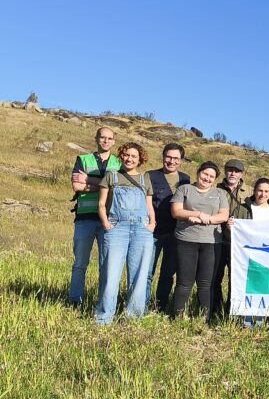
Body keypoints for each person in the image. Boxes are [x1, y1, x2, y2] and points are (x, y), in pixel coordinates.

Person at [94, 142, 157, 324]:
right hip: (116, 229)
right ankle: (104, 317)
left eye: (134, 156)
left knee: (139, 274)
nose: (130, 159)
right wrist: (106, 223)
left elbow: (149, 205)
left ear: (140, 159)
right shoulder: (111, 176)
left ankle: (133, 317)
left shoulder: (145, 179)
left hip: (141, 229)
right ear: (121, 156)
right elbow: (101, 204)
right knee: (110, 273)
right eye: (127, 155)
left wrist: (152, 224)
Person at [170, 162, 229, 320]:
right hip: (186, 240)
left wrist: (207, 219)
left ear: (215, 179)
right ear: (198, 172)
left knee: (206, 283)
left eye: (211, 176)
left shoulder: (220, 194)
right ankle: (178, 316)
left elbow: (223, 215)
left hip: (211, 243)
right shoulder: (184, 189)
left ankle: (204, 318)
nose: (207, 178)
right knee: (184, 281)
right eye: (205, 174)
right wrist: (197, 213)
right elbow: (176, 211)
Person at [68, 127, 120, 305]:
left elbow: (118, 188)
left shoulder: (119, 163)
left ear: (114, 141)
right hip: (85, 218)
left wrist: (89, 180)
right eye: (102, 137)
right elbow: (77, 187)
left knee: (106, 266)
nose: (106, 141)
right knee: (80, 264)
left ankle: (103, 303)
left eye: (109, 138)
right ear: (96, 139)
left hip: (109, 220)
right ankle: (75, 301)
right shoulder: (83, 159)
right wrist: (106, 185)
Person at [147, 143, 190, 313]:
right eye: (169, 157)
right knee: (147, 272)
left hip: (176, 233)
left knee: (168, 273)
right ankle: (142, 305)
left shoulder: (185, 179)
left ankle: (160, 306)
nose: (171, 161)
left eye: (176, 158)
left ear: (181, 160)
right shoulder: (150, 175)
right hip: (153, 232)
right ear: (163, 156)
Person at [235, 177, 269, 327]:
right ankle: (246, 319)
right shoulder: (242, 209)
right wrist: (231, 227)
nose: (263, 194)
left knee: (264, 286)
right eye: (260, 190)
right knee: (248, 285)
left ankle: (261, 319)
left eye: (266, 191)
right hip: (247, 256)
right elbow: (234, 232)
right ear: (254, 191)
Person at [210, 159, 248, 321]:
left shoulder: (249, 192)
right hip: (217, 239)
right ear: (225, 172)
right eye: (230, 170)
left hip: (239, 243)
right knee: (214, 278)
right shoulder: (215, 189)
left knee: (237, 279)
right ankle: (215, 309)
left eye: (236, 171)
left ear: (242, 174)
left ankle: (232, 311)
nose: (233, 173)